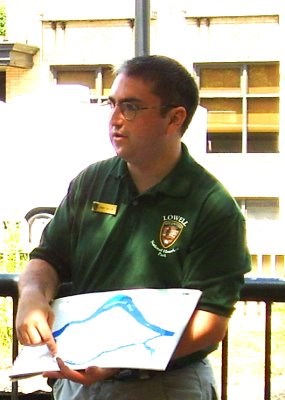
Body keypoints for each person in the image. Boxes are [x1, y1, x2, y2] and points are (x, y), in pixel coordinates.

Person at [16, 55, 251, 400]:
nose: (115, 120)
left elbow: (211, 322)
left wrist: (126, 357)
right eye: (112, 105)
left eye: (132, 107)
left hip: (167, 386)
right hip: (79, 382)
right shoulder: (91, 181)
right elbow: (48, 258)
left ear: (174, 118)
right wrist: (32, 295)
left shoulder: (211, 206)